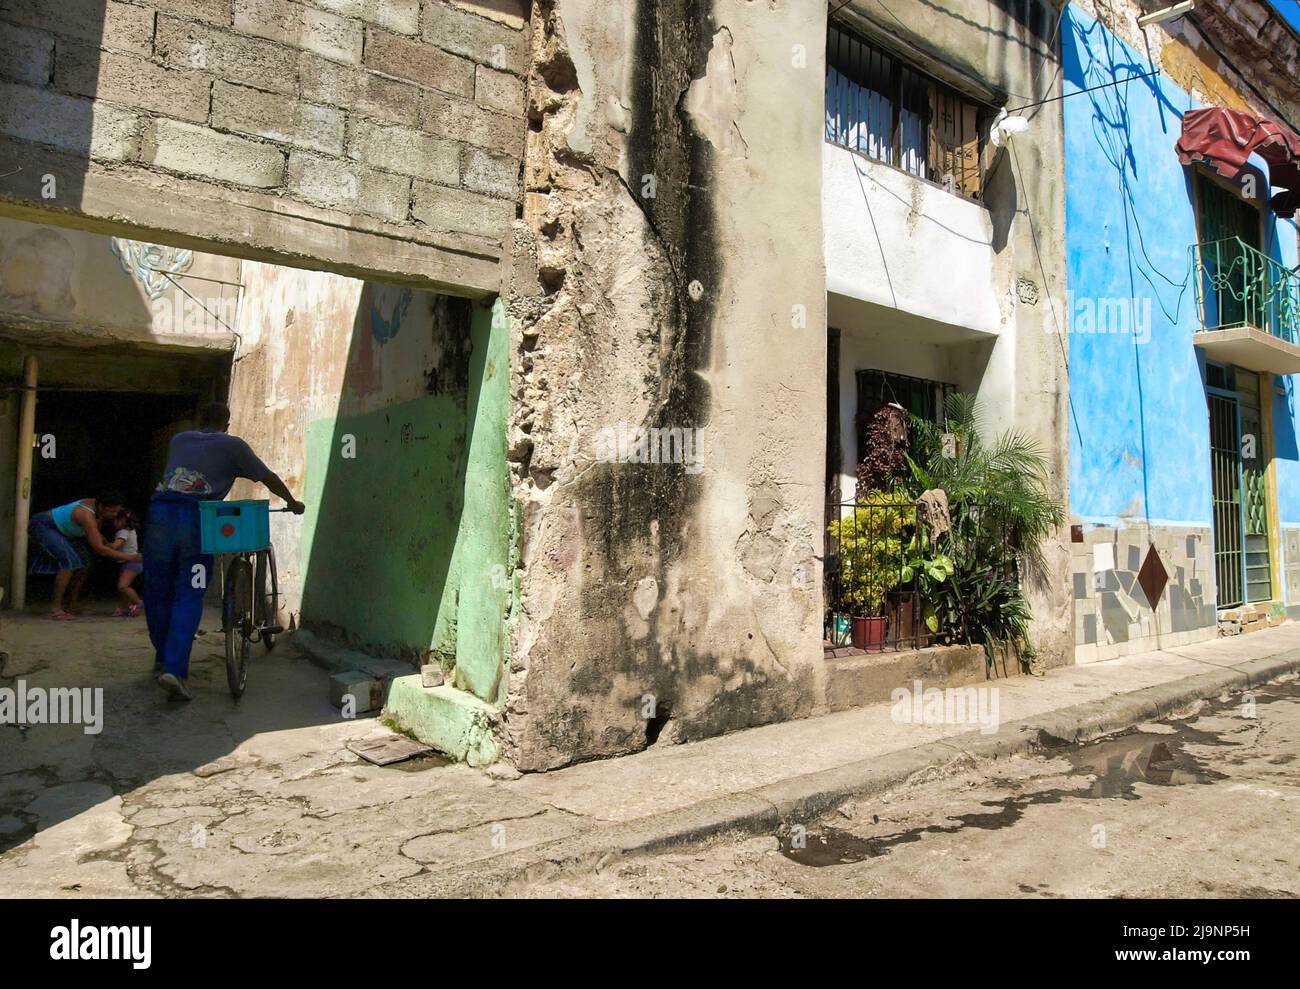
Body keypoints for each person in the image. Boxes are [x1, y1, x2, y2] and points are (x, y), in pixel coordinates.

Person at [145, 402, 304, 702]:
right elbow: (267, 477)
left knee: (157, 590)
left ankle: (163, 657)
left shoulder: (179, 440)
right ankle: (175, 670)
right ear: (227, 425)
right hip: (197, 521)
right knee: (189, 593)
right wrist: (292, 502)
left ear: (197, 420)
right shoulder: (233, 446)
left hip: (160, 516)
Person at [28, 494, 140, 619]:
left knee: (86, 561)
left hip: (66, 532)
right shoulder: (85, 514)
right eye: (112, 511)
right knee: (69, 561)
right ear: (101, 507)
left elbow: (95, 534)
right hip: (45, 526)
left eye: (117, 512)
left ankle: (72, 605)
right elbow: (99, 548)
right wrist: (130, 557)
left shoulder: (98, 511)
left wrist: (106, 542)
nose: (115, 515)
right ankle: (55, 609)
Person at [109, 510, 144, 618]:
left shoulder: (123, 532)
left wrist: (103, 544)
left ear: (121, 520)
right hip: (132, 562)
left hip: (130, 563)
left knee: (123, 586)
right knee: (123, 589)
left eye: (115, 520)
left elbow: (115, 546)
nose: (113, 523)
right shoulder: (132, 531)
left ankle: (139, 603)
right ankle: (127, 608)